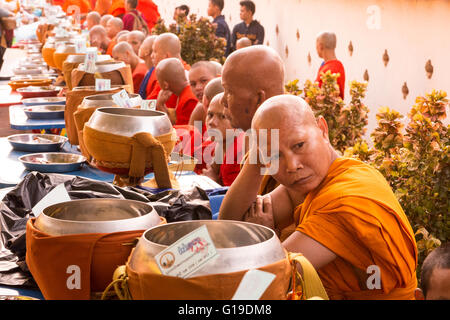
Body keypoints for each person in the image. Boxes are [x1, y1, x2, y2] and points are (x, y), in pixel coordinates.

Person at [219, 94, 418, 299]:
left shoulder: (345, 201)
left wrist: (267, 236)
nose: (292, 165)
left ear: (322, 130)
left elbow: (264, 277)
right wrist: (258, 156)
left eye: (299, 145)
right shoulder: (306, 182)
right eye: (274, 156)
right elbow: (230, 227)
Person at [221, 45, 284, 196]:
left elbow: (237, 215)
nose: (222, 101)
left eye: (229, 92)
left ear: (258, 99)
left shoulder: (289, 152)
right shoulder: (256, 139)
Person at [201, 93, 243, 186]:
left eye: (223, 117)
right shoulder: (220, 144)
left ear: (237, 120)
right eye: (210, 115)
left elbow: (235, 198)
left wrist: (212, 181)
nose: (212, 122)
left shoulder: (238, 152)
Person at [146, 33, 190, 103]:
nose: (151, 56)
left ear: (167, 56)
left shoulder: (169, 75)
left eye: (155, 52)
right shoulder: (186, 70)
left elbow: (150, 105)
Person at [155, 58, 198, 125]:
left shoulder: (190, 100)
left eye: (158, 81)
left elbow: (182, 132)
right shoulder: (183, 92)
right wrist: (162, 106)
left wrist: (160, 106)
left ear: (165, 84)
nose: (158, 83)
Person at [188, 61, 221, 128]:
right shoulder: (200, 110)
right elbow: (191, 137)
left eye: (203, 81)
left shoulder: (231, 106)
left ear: (217, 78)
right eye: (193, 84)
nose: (198, 88)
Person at [315, 31, 346, 99]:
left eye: (316, 46)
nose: (316, 49)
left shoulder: (331, 68)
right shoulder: (338, 66)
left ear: (320, 46)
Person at [138, 35, 157, 99]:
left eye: (142, 44)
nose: (139, 47)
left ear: (147, 52)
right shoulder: (149, 70)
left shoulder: (155, 74)